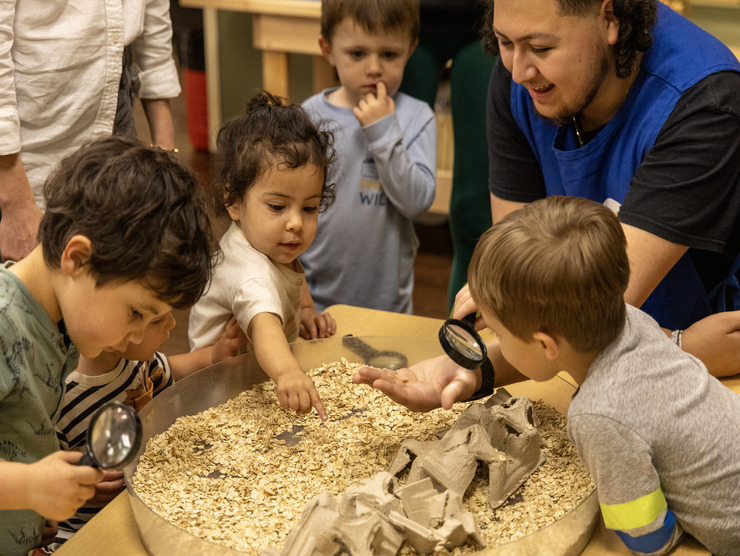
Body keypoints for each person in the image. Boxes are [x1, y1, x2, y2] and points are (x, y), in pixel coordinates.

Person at [377, 196, 740, 554]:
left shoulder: (597, 415)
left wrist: (682, 541)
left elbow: (645, 535)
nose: (495, 341)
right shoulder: (630, 317)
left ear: (548, 345)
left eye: (499, 334)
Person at [0, 135, 215, 555]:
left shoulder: (54, 325)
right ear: (77, 259)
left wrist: (27, 510)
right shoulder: (5, 322)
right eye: (137, 312)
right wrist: (27, 487)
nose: (140, 336)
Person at [188, 92, 336, 422]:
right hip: (216, 391)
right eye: (278, 207)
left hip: (252, 373)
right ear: (234, 200)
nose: (296, 222)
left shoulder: (270, 243)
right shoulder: (249, 273)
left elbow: (291, 270)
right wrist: (287, 373)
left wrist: (308, 309)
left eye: (309, 208)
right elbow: (263, 324)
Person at [0, 0, 182, 263]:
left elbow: (153, 14)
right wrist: (14, 203)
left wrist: (166, 157)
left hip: (114, 101)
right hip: (21, 132)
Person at [46, 316, 246, 550]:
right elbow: (46, 480)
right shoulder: (59, 400)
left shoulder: (135, 360)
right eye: (158, 319)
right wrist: (84, 489)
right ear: (118, 337)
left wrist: (211, 357)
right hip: (82, 529)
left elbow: (167, 369)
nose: (172, 323)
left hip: (140, 501)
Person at [300, 0, 437, 314]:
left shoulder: (418, 116)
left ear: (410, 49)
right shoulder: (308, 116)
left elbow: (417, 202)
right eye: (357, 53)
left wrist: (383, 131)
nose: (374, 68)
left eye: (389, 54)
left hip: (387, 308)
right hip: (314, 302)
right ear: (328, 48)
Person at [399, 0, 494, 310]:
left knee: (476, 211)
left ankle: (462, 339)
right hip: (397, 17)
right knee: (375, 201)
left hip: (487, 22)